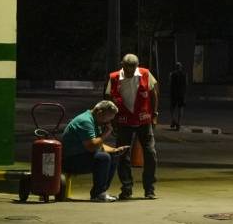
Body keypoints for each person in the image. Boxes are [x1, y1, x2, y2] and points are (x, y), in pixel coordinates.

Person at [106, 52, 159, 200]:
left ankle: (149, 189)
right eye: (127, 67)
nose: (130, 70)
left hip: (143, 119)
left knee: (150, 153)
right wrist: (111, 120)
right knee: (123, 154)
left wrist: (154, 115)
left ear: (137, 65)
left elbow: (154, 94)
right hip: (123, 120)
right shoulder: (114, 77)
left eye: (133, 67)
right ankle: (127, 188)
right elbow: (108, 99)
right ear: (122, 65)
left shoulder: (145, 74)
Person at [61, 100, 128, 202]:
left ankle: (102, 191)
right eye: (107, 120)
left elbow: (98, 143)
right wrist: (106, 133)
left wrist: (115, 150)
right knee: (103, 158)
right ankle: (98, 193)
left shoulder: (95, 120)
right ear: (100, 113)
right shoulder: (85, 121)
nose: (107, 123)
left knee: (113, 156)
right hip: (70, 160)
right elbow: (92, 146)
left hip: (82, 155)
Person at [168, 62, 187, 130]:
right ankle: (179, 123)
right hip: (181, 94)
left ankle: (173, 120)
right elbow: (186, 84)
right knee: (180, 109)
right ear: (181, 67)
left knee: (172, 108)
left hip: (174, 93)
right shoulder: (184, 74)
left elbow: (170, 84)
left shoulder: (172, 74)